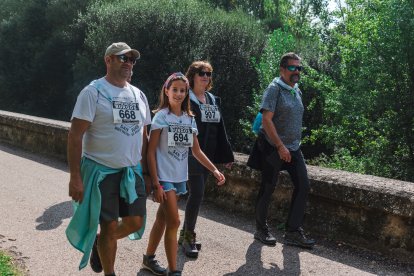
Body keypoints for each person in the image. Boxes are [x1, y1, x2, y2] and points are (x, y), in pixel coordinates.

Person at [66, 42, 152, 276]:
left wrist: (145, 172)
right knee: (110, 224)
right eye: (123, 58)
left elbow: (144, 136)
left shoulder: (138, 94)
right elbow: (75, 137)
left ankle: (101, 242)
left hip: (131, 172)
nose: (129, 63)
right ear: (108, 60)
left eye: (132, 60)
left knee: (135, 221)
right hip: (101, 172)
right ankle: (110, 272)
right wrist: (75, 177)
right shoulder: (93, 92)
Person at [142, 72, 226, 276]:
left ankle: (148, 258)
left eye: (182, 90)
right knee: (175, 222)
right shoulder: (161, 116)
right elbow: (150, 152)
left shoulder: (190, 119)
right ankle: (173, 270)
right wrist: (155, 183)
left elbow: (196, 151)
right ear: (166, 91)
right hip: (164, 178)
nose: (178, 94)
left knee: (162, 219)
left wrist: (214, 169)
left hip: (180, 178)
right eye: (175, 90)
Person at [248, 52, 315, 249]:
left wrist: (289, 146)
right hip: (272, 146)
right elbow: (267, 120)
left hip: (294, 148)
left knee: (303, 185)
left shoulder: (296, 90)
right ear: (282, 69)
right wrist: (279, 146)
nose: (297, 71)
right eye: (293, 68)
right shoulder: (274, 89)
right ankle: (261, 230)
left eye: (299, 68)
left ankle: (293, 232)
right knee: (268, 188)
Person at [179, 61, 234, 258]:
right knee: (197, 194)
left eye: (209, 73)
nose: (206, 76)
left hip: (208, 156)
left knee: (197, 194)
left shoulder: (212, 99)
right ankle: (188, 238)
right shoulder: (186, 98)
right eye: (202, 73)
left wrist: (226, 156)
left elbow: (221, 129)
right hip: (190, 154)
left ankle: (184, 234)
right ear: (192, 75)